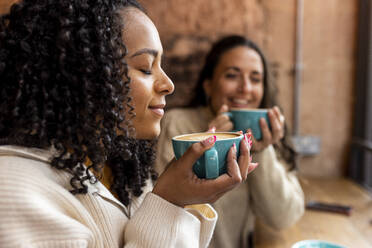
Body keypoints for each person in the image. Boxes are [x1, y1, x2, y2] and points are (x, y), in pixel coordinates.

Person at [0, 2, 257, 247]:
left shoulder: (123, 170)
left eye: (160, 65)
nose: (168, 84)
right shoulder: (15, 190)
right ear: (85, 75)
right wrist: (169, 202)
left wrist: (183, 199)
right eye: (146, 68)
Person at [156, 35, 305, 248]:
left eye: (255, 79)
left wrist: (261, 150)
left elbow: (283, 218)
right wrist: (212, 147)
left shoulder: (268, 133)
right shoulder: (178, 125)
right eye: (232, 76)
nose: (245, 88)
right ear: (208, 86)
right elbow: (164, 211)